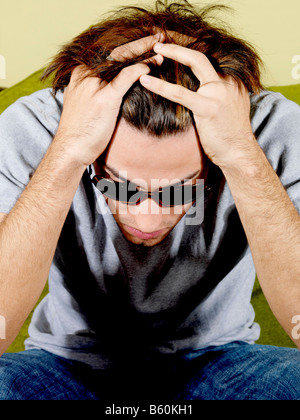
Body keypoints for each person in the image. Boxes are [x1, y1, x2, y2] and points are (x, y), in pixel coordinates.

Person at [0, 0, 300, 401]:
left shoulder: (265, 129)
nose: (148, 217)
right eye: (118, 185)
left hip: (222, 359)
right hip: (67, 363)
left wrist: (242, 156)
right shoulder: (40, 126)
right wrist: (68, 152)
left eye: (183, 187)